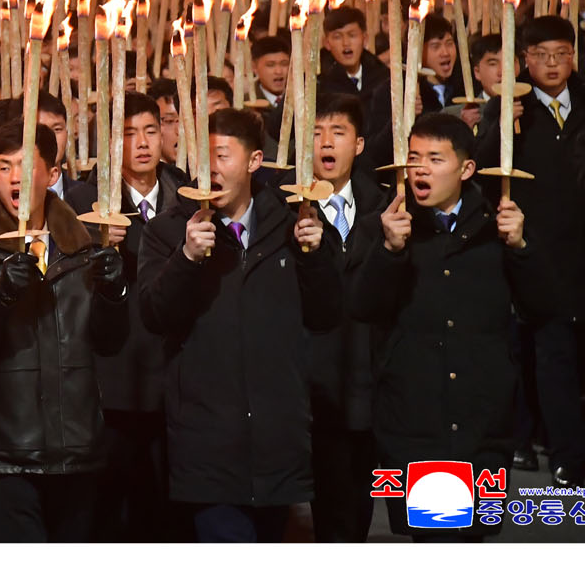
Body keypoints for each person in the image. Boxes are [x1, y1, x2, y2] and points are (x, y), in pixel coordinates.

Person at [137, 107, 340, 543]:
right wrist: (186, 259)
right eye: (204, 156)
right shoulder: (169, 230)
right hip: (206, 437)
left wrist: (316, 255)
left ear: (253, 162)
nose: (211, 169)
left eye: (224, 156)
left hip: (276, 436)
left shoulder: (295, 224)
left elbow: (326, 315)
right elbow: (154, 315)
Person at [353, 112, 544, 541]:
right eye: (414, 157)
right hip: (418, 421)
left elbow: (541, 308)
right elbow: (364, 307)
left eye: (435, 159)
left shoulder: (498, 226)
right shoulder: (388, 225)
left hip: (483, 416)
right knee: (436, 537)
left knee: (472, 538)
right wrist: (388, 250)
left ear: (466, 168)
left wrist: (521, 248)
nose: (421, 168)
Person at [0, 120, 127, 542]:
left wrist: (116, 290)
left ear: (53, 175)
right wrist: (4, 292)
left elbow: (111, 341)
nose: (14, 178)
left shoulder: (85, 245)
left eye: (26, 166)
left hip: (77, 441)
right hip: (7, 447)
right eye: (4, 167)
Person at [475, 15, 585, 486]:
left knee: (576, 348)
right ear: (525, 59)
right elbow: (483, 167)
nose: (552, 64)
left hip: (584, 249)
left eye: (561, 54)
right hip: (529, 245)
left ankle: (548, 437)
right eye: (542, 55)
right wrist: (500, 127)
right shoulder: (508, 105)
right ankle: (566, 454)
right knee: (547, 350)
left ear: (574, 56)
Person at [93, 92, 189, 541]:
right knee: (115, 503)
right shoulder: (87, 201)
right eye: (128, 134)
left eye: (151, 130)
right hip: (115, 371)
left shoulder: (190, 196)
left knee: (171, 501)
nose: (143, 143)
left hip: (176, 365)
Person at [305, 93, 387, 543]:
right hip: (315, 380)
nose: (325, 143)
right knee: (328, 506)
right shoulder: (288, 210)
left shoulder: (386, 206)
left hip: (368, 374)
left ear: (358, 144)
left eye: (337, 132)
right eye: (316, 133)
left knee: (360, 501)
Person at [250, 35, 290, 107]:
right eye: (270, 65)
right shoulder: (247, 103)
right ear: (254, 67)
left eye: (284, 64)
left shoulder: (302, 99)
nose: (278, 71)